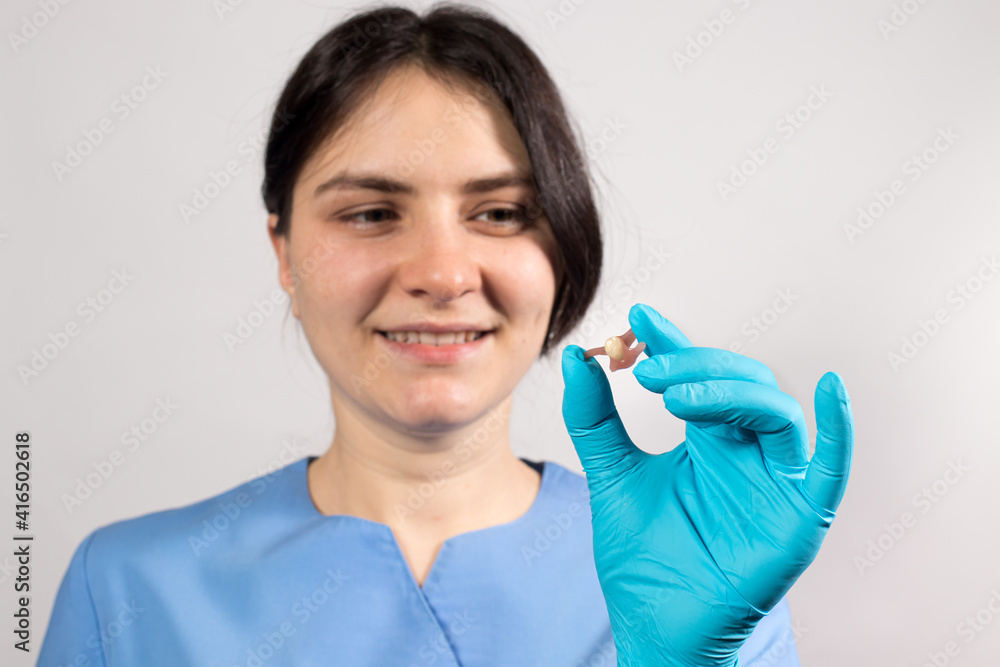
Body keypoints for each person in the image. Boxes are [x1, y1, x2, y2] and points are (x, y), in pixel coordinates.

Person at [38, 4, 853, 666]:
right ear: (284, 253)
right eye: (371, 212)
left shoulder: (707, 573)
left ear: (562, 249)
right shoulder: (126, 591)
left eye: (499, 213)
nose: (443, 273)